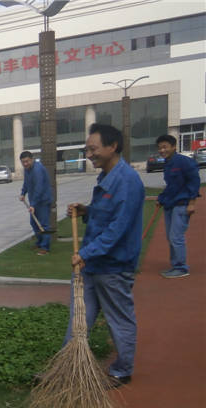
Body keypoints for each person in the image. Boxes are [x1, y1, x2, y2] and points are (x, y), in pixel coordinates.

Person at [66, 123, 145, 387]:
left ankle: (122, 370)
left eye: (93, 148)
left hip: (113, 266)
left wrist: (84, 253)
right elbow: (104, 217)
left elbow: (117, 230)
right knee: (79, 318)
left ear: (112, 147)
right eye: (87, 148)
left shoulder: (127, 181)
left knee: (118, 319)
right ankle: (69, 366)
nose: (89, 154)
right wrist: (86, 211)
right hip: (92, 265)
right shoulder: (106, 177)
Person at [155, 134, 200, 278]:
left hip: (182, 204)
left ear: (174, 147)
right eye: (160, 148)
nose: (162, 150)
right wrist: (161, 198)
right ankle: (176, 265)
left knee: (176, 237)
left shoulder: (184, 162)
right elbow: (171, 186)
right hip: (171, 204)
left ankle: (181, 268)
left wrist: (192, 203)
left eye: (165, 147)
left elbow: (194, 182)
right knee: (171, 236)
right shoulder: (168, 164)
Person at [19, 150, 52, 255]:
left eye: (27, 161)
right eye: (23, 162)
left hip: (42, 201)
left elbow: (39, 188)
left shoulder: (37, 170)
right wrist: (23, 193)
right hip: (35, 201)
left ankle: (45, 247)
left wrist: (33, 205)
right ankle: (40, 242)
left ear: (32, 159)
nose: (25, 164)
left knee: (43, 225)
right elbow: (26, 183)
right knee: (34, 223)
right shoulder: (27, 170)